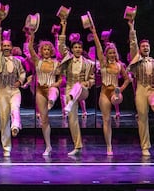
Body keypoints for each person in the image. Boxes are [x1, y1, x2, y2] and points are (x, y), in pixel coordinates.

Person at [90, 24, 129, 156]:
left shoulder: (119, 65)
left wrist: (121, 88)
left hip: (115, 91)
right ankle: (109, 146)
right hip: (104, 92)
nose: (112, 54)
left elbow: (127, 79)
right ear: (106, 54)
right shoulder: (103, 63)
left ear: (116, 53)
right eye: (110, 52)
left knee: (117, 97)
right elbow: (99, 48)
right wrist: (95, 33)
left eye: (114, 52)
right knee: (106, 120)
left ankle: (117, 95)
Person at [58, 18, 95, 156]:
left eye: (80, 47)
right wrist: (63, 28)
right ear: (72, 49)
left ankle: (69, 103)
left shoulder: (88, 63)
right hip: (69, 89)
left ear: (82, 49)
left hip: (83, 91)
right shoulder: (67, 59)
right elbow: (61, 45)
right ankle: (77, 146)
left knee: (79, 84)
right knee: (72, 119)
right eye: (75, 47)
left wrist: (88, 83)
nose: (78, 49)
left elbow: (92, 80)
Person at [0, 15, 26, 157]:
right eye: (4, 46)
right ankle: (6, 146)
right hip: (3, 91)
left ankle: (16, 125)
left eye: (8, 46)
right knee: (4, 119)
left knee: (15, 107)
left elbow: (22, 73)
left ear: (11, 47)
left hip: (15, 90)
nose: (5, 47)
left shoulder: (17, 61)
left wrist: (20, 81)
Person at [27, 28, 62, 156]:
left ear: (51, 51)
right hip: (40, 90)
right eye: (44, 49)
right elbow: (30, 48)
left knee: (53, 91)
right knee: (44, 119)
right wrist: (32, 35)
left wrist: (56, 84)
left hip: (51, 88)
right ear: (41, 51)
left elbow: (61, 79)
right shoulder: (38, 61)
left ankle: (51, 101)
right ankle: (48, 146)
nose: (46, 51)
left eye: (48, 49)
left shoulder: (56, 63)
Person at [127, 18, 154, 156]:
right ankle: (145, 146)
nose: (145, 48)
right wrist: (132, 27)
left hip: (152, 90)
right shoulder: (136, 61)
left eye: (147, 46)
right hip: (141, 89)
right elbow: (133, 45)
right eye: (143, 46)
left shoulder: (153, 61)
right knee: (142, 118)